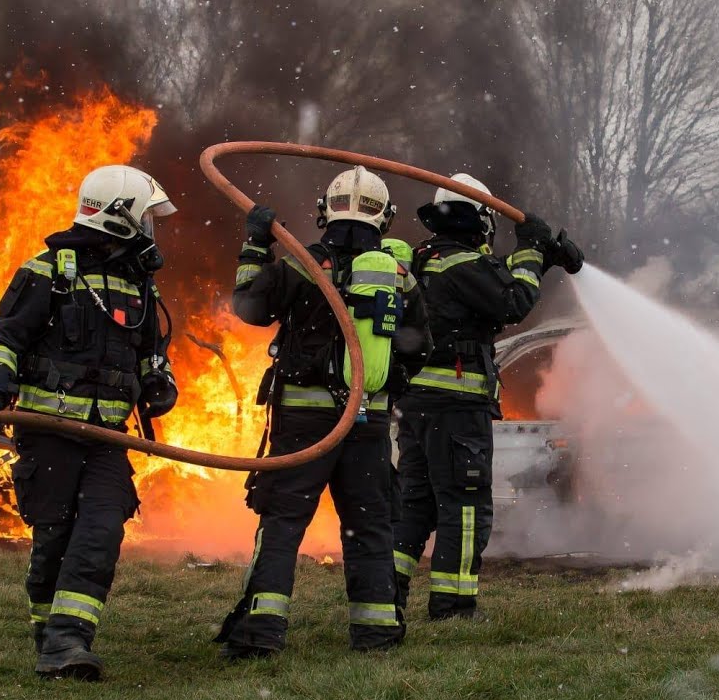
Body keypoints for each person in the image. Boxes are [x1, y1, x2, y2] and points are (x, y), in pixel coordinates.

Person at [0, 164, 181, 680]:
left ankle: (69, 639)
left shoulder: (139, 287)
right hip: (49, 434)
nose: (151, 231)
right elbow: (4, 338)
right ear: (120, 218)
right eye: (145, 218)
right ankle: (50, 633)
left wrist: (159, 382)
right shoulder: (49, 272)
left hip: (108, 440)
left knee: (102, 529)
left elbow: (151, 351)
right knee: (55, 539)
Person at [214, 165, 432, 659]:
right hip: (367, 424)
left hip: (305, 424)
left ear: (324, 213)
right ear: (386, 218)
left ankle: (261, 633)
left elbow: (249, 309)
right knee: (370, 523)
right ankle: (375, 632)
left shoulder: (301, 264)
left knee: (284, 521)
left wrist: (254, 246)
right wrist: (380, 392)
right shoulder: (398, 275)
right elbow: (420, 346)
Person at [391, 173, 583, 620]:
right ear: (480, 219)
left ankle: (386, 594)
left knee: (414, 504)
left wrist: (538, 258)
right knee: (464, 505)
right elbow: (513, 301)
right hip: (456, 408)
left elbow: (492, 286)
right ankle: (454, 607)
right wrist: (532, 252)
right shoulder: (461, 263)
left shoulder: (424, 259)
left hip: (417, 406)